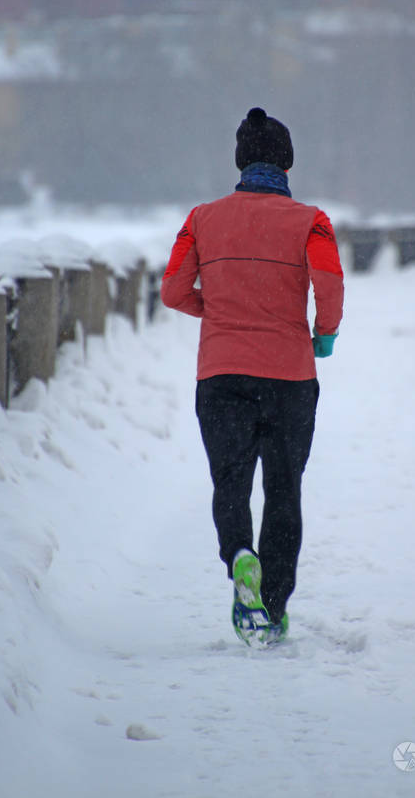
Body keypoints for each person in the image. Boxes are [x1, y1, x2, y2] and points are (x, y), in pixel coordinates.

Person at [161, 106, 344, 645]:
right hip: (289, 378)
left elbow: (173, 290)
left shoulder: (201, 219)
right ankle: (274, 604)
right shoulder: (311, 221)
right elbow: (328, 281)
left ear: (240, 162)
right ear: (286, 164)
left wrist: (215, 310)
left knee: (231, 482)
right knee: (284, 489)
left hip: (221, 376)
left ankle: (241, 556)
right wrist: (323, 333)